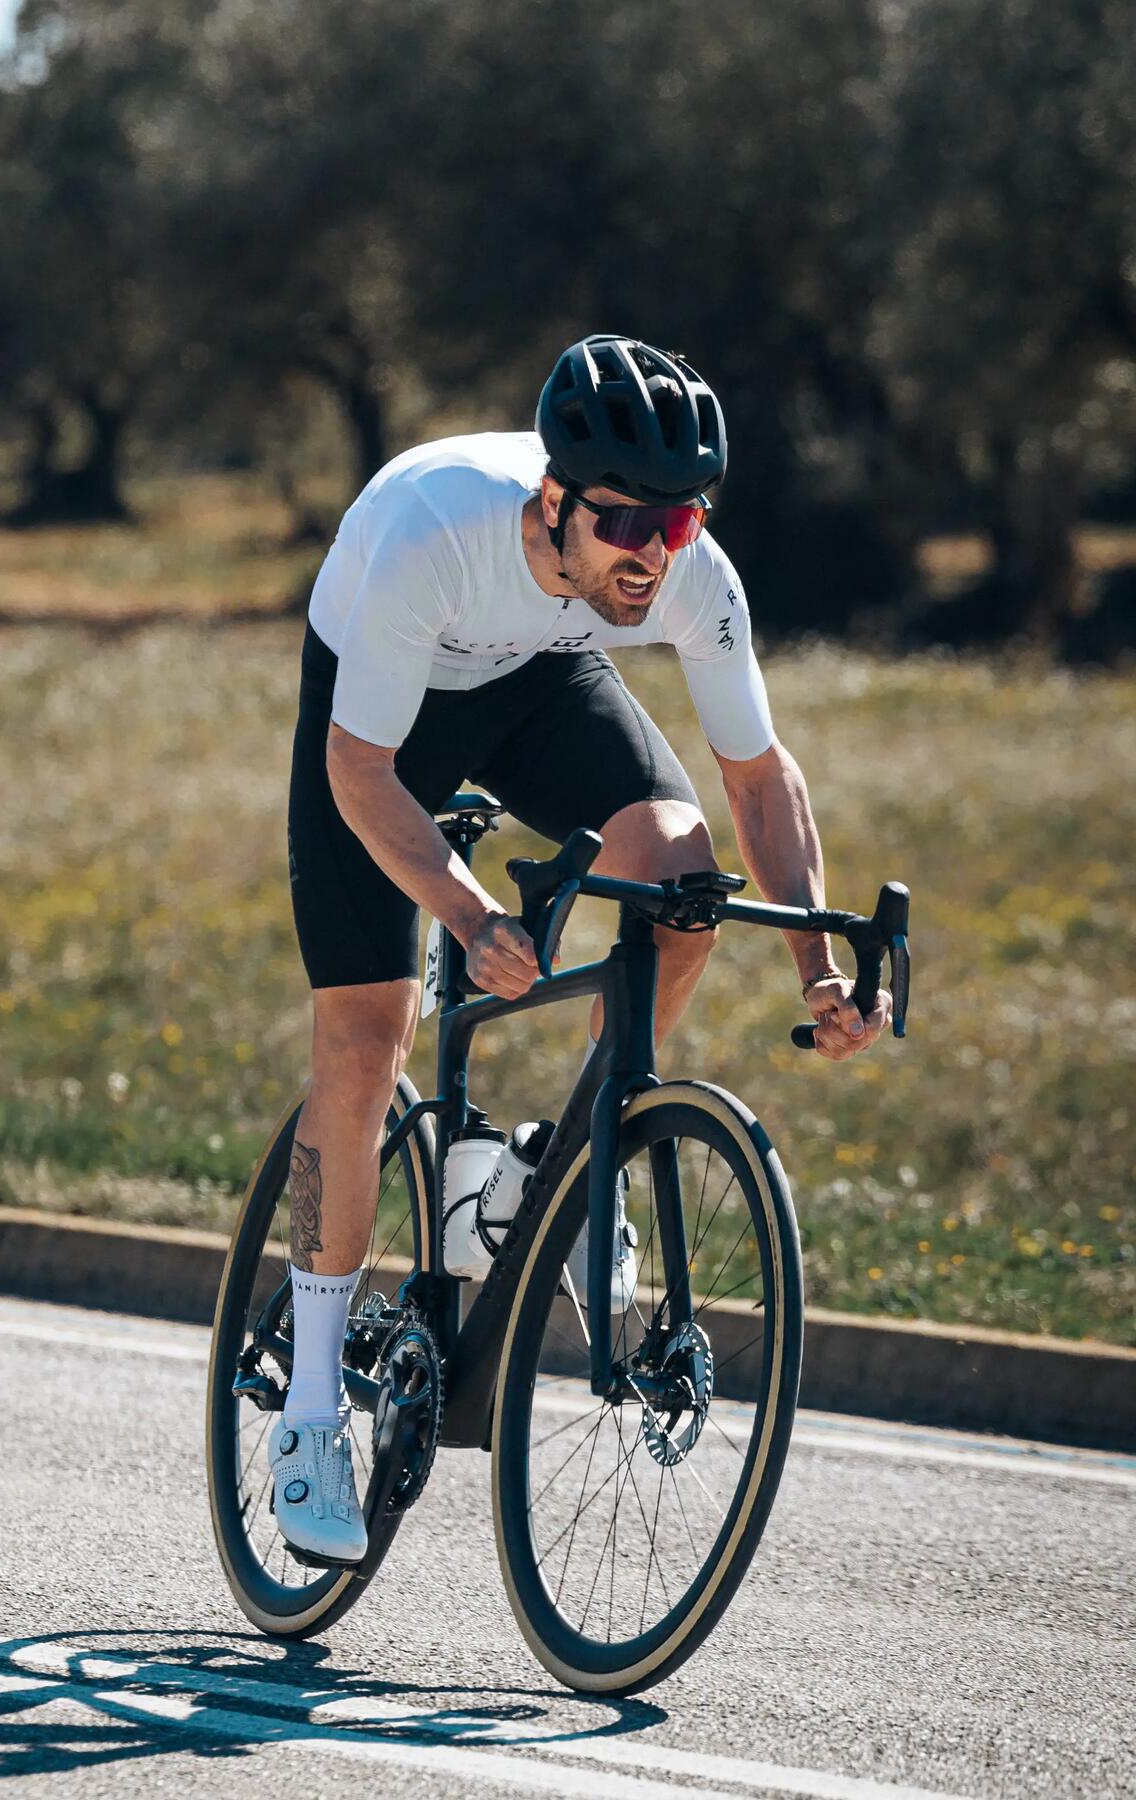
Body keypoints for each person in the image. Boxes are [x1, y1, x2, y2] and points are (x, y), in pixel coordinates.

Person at [269, 334, 891, 1565]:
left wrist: (820, 964)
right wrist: (464, 912)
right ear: (552, 500)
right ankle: (305, 1410)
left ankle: (558, 1167)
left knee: (683, 871)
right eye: (626, 526)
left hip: (542, 681)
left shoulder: (685, 574)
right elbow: (359, 770)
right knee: (365, 1033)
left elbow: (760, 781)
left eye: (678, 524)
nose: (651, 557)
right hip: (384, 714)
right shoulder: (431, 532)